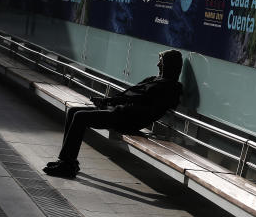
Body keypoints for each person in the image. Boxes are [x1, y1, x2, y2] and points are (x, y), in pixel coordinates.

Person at [43, 49, 184, 178]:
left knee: (80, 117)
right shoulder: (153, 80)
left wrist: (109, 101)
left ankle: (67, 165)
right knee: (74, 111)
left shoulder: (171, 87)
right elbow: (130, 93)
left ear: (171, 65)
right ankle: (67, 161)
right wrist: (107, 102)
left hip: (130, 119)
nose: (158, 64)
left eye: (162, 62)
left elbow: (139, 98)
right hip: (119, 112)